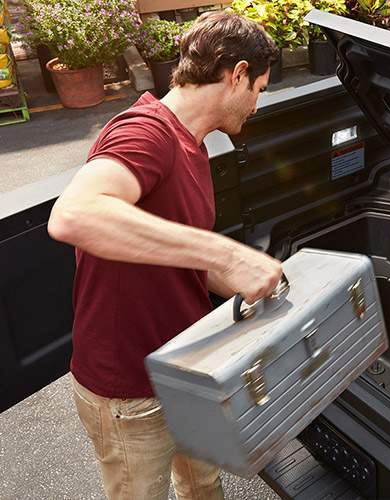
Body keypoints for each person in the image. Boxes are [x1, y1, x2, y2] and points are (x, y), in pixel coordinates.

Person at [47, 11, 282, 500]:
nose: (258, 105)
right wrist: (225, 252)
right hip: (129, 390)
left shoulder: (192, 144)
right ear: (235, 74)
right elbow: (74, 215)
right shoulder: (146, 133)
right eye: (259, 88)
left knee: (202, 484)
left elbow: (171, 252)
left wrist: (244, 279)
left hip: (182, 371)